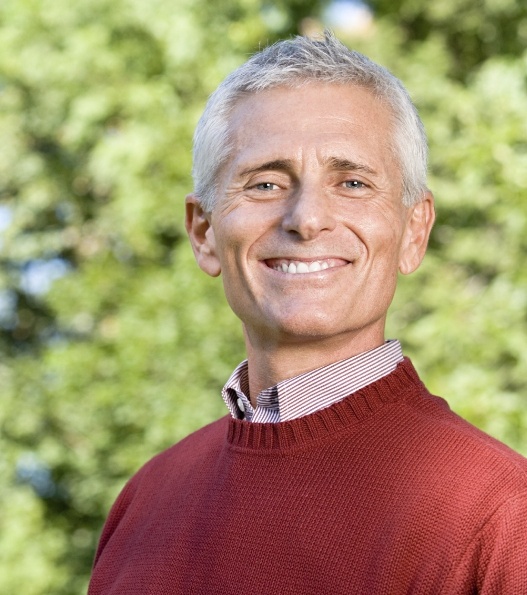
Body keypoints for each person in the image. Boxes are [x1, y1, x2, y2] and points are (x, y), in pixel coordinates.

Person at [88, 33, 527, 594]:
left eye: (352, 182)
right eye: (266, 183)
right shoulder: (146, 502)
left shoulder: (495, 515)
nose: (307, 218)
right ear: (203, 232)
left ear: (414, 231)